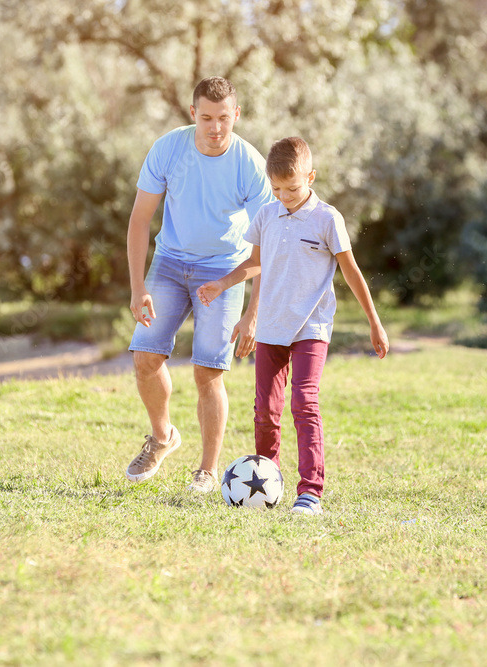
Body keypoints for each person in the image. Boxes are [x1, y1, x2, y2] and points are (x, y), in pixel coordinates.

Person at [196, 136, 389, 515]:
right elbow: (256, 264)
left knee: (304, 402)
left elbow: (351, 272)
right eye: (277, 188)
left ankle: (311, 492)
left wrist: (374, 322)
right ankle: (266, 483)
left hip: (311, 327)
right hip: (271, 328)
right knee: (265, 411)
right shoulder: (267, 215)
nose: (284, 195)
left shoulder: (327, 219)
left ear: (311, 177)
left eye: (293, 188)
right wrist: (222, 284)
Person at [125, 77, 276, 492]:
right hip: (170, 261)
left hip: (225, 268)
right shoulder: (169, 149)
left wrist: (253, 314)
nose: (215, 128)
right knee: (145, 358)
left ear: (236, 116)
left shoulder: (249, 165)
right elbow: (140, 220)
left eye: (223, 118)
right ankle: (162, 437)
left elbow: (267, 245)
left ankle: (207, 471)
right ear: (193, 114)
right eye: (206, 118)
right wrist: (138, 287)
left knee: (208, 371)